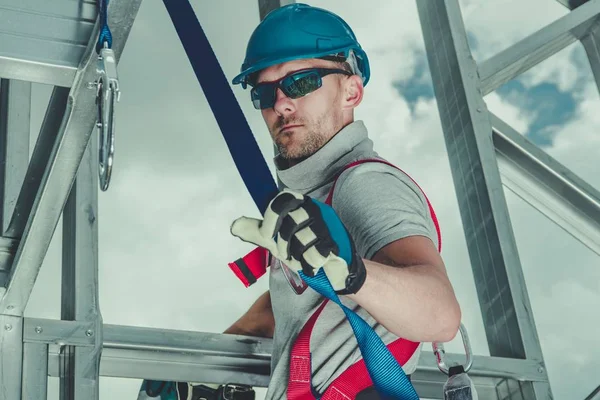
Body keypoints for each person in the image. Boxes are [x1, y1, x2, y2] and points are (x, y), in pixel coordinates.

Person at [139, 3, 461, 400]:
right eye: (264, 91)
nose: (280, 104)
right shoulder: (305, 200)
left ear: (352, 90)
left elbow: (441, 314)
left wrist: (354, 273)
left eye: (302, 82)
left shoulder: (363, 183)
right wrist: (199, 367)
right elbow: (293, 304)